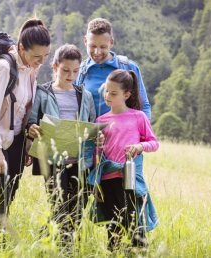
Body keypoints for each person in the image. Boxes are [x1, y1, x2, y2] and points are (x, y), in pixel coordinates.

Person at [0, 18, 51, 234]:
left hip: (15, 140)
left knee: (10, 193)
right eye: (36, 56)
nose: (41, 61)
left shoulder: (31, 71)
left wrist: (25, 146)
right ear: (21, 48)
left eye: (45, 56)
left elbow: (24, 111)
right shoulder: (3, 67)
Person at [26, 44, 96, 243]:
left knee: (77, 208)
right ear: (55, 67)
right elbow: (31, 121)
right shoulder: (42, 92)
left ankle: (43, 242)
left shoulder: (86, 95)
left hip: (80, 160)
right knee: (59, 206)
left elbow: (91, 124)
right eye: (65, 70)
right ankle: (64, 249)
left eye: (75, 71)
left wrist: (96, 137)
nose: (70, 75)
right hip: (52, 158)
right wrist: (31, 128)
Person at [88, 69, 159, 251]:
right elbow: (97, 156)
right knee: (114, 229)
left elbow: (153, 143)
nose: (108, 96)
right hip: (107, 181)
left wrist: (139, 147)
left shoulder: (138, 117)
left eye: (113, 93)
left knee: (136, 226)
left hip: (130, 180)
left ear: (126, 94)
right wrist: (95, 183)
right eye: (106, 91)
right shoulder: (100, 121)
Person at [76, 17, 151, 119]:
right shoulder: (78, 71)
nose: (97, 52)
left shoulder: (129, 67)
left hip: (124, 133)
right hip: (91, 133)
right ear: (85, 41)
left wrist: (143, 131)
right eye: (92, 46)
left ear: (111, 42)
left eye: (102, 47)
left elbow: (144, 105)